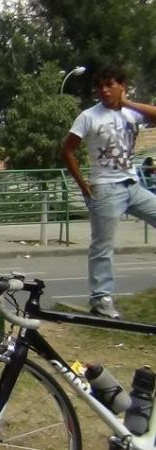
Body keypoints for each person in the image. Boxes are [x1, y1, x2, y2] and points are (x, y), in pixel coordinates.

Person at [61, 65, 156, 319]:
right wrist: (83, 185)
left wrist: (129, 103)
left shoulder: (131, 114)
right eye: (100, 86)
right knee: (103, 246)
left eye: (110, 85)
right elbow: (67, 150)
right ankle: (101, 299)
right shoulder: (89, 116)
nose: (104, 91)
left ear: (122, 86)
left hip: (132, 185)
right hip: (105, 188)